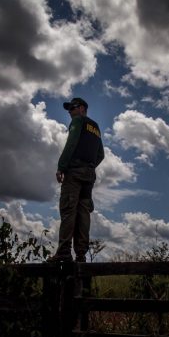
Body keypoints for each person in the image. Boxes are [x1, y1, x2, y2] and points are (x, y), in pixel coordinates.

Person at [48, 97, 104, 262]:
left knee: (68, 210)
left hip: (74, 173)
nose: (70, 111)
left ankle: (64, 253)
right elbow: (101, 154)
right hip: (89, 176)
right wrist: (90, 167)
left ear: (82, 108)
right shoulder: (95, 127)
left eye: (73, 107)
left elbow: (71, 143)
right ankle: (81, 255)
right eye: (69, 109)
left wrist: (61, 166)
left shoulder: (78, 121)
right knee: (83, 213)